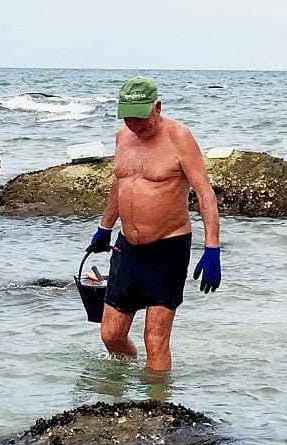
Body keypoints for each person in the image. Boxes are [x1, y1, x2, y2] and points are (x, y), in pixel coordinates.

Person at [87, 76, 221, 372]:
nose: (135, 125)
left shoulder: (179, 138)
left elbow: (204, 192)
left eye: (141, 118)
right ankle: (121, 393)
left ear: (157, 107)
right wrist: (105, 227)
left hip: (168, 248)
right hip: (128, 247)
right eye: (129, 118)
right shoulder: (123, 136)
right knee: (111, 335)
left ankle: (156, 410)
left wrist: (212, 248)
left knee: (155, 339)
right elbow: (120, 182)